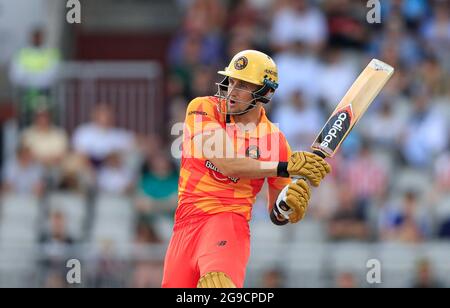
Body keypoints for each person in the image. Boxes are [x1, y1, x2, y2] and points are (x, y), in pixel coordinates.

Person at [161, 50, 331, 288]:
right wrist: (284, 168)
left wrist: (286, 206)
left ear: (266, 92)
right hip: (183, 228)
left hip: (227, 224)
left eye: (243, 85)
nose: (231, 91)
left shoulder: (276, 140)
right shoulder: (202, 108)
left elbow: (276, 213)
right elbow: (226, 162)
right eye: (231, 81)